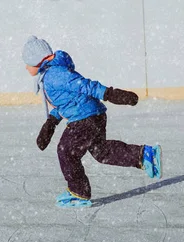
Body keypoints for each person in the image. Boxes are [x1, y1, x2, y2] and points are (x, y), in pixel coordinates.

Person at [22, 36, 161, 208]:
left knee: (66, 151)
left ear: (37, 59)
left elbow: (85, 86)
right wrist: (51, 123)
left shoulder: (55, 74)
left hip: (84, 119)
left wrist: (111, 94)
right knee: (101, 151)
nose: (26, 67)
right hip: (92, 115)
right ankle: (144, 155)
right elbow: (66, 101)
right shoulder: (52, 74)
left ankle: (78, 192)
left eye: (28, 62)